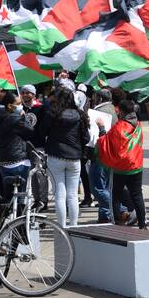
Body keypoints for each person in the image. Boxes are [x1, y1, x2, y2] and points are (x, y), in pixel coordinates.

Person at [43, 87, 90, 226]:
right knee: (73, 195)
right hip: (75, 158)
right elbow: (86, 138)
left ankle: (62, 226)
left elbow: (41, 132)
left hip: (55, 156)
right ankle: (74, 226)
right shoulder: (80, 115)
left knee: (59, 195)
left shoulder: (52, 114)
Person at [96, 99, 147, 229]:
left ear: (121, 111)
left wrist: (101, 128)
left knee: (116, 194)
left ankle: (116, 221)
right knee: (137, 195)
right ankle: (143, 224)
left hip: (120, 168)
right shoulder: (138, 125)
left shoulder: (119, 127)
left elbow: (105, 143)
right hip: (135, 165)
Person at [0, 91, 37, 203]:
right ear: (10, 106)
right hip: (19, 161)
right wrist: (24, 117)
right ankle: (19, 218)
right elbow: (30, 131)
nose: (21, 106)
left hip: (4, 161)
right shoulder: (15, 119)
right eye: (18, 103)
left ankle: (9, 217)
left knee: (8, 196)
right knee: (21, 196)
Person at [89, 88, 118, 223]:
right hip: (111, 153)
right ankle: (105, 214)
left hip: (100, 153)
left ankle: (120, 209)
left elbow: (97, 136)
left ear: (99, 98)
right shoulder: (112, 109)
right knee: (106, 185)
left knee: (98, 187)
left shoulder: (99, 112)